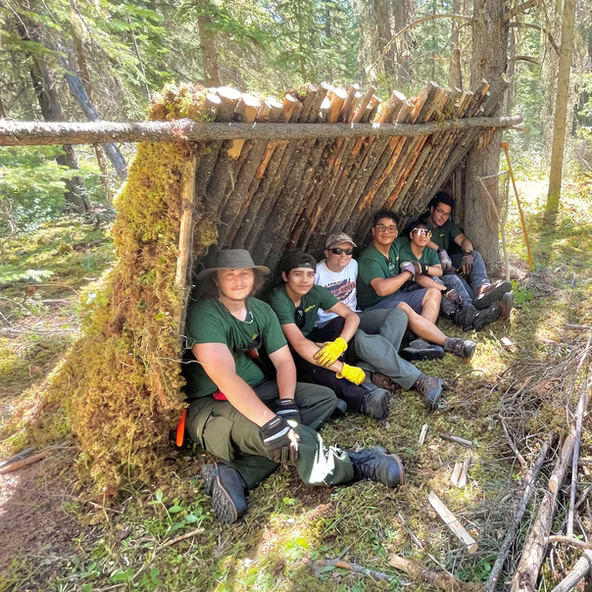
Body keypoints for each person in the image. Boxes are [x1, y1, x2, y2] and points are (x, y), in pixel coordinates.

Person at [183, 249, 404, 524]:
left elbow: (284, 361)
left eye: (245, 274)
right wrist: (270, 422)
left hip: (257, 389)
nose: (238, 281)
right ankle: (354, 464)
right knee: (280, 432)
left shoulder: (260, 310)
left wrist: (287, 404)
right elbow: (224, 377)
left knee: (323, 398)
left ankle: (236, 473)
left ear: (254, 278)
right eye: (230, 275)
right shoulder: (205, 314)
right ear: (217, 280)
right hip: (213, 404)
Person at [314, 232, 446, 409]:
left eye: (348, 251)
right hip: (331, 324)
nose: (344, 255)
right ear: (326, 252)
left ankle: (372, 370)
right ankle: (421, 379)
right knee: (364, 341)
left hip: (355, 315)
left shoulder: (353, 265)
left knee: (398, 314)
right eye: (337, 251)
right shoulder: (316, 273)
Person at [269, 251, 392, 419]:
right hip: (286, 354)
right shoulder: (278, 299)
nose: (305, 280)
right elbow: (299, 343)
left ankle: (337, 384)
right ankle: (364, 400)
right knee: (314, 363)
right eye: (298, 274)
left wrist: (340, 344)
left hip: (309, 341)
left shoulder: (315, 292)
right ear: (285, 276)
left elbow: (352, 316)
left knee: (339, 323)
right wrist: (343, 369)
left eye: (310, 275)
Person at [357, 211, 476, 359]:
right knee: (402, 307)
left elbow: (422, 237)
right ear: (373, 231)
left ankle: (420, 343)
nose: (386, 232)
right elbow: (382, 289)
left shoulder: (396, 245)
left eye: (391, 228)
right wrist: (409, 272)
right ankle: (451, 344)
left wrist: (440, 250)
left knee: (433, 292)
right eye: (381, 227)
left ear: (396, 233)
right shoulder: (369, 258)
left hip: (396, 297)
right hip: (373, 307)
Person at [418, 191, 513, 317]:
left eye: (446, 214)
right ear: (431, 209)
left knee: (475, 256)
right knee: (455, 279)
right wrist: (440, 250)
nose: (443, 217)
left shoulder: (447, 226)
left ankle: (482, 288)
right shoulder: (421, 224)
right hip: (431, 269)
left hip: (447, 262)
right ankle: (485, 307)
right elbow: (422, 238)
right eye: (440, 212)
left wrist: (467, 254)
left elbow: (464, 240)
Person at [398, 222, 504, 331]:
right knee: (435, 281)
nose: (423, 235)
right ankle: (458, 315)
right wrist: (444, 289)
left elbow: (439, 271)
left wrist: (423, 268)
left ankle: (470, 308)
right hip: (412, 289)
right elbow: (418, 277)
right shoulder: (405, 252)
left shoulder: (430, 252)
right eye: (420, 232)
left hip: (430, 281)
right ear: (411, 235)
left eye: (427, 233)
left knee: (451, 278)